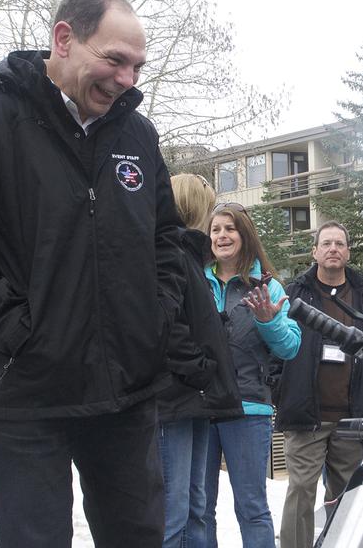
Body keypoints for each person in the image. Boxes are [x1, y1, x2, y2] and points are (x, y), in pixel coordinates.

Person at [0, 0, 185, 547]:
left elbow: (168, 240)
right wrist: (12, 327)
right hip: (23, 390)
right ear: (63, 39)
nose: (128, 79)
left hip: (125, 391)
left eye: (136, 66)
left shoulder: (137, 135)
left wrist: (157, 315)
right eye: (115, 60)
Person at [275, 221, 363, 548]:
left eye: (339, 243)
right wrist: (278, 387)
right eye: (326, 243)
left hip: (353, 418)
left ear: (348, 252)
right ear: (315, 252)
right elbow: (273, 346)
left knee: (346, 495)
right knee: (300, 491)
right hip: (306, 414)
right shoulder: (293, 294)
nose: (333, 249)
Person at [200, 202, 301, 548]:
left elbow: (290, 347)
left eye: (230, 229)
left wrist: (268, 321)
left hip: (248, 407)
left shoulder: (267, 286)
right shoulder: (196, 279)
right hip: (199, 406)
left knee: (252, 507)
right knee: (198, 508)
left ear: (244, 235)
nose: (222, 236)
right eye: (216, 230)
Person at [157, 174, 243, 548]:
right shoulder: (171, 254)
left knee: (195, 507)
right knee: (172, 515)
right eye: (210, 207)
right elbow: (165, 324)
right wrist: (201, 366)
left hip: (193, 399)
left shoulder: (190, 256)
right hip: (174, 397)